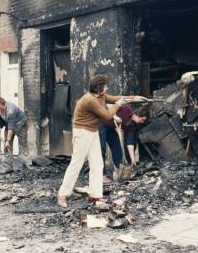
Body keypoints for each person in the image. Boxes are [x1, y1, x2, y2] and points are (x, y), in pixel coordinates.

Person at [57, 75, 146, 207]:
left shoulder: (100, 96)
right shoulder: (89, 100)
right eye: (105, 86)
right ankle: (62, 194)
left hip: (92, 131)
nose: (107, 88)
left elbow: (115, 98)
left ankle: (94, 195)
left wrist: (134, 98)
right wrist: (118, 105)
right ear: (99, 89)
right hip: (82, 132)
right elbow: (107, 115)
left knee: (97, 164)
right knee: (76, 163)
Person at [99, 105, 149, 176]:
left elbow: (130, 142)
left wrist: (133, 160)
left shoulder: (132, 125)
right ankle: (101, 175)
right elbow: (108, 105)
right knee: (101, 149)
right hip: (101, 123)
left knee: (117, 149)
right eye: (142, 120)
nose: (142, 122)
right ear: (138, 115)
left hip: (110, 128)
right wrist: (114, 116)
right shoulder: (126, 109)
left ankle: (118, 172)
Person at [0, 97, 28, 174]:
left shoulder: (11, 111)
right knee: (6, 147)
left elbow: (11, 128)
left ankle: (25, 167)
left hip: (20, 124)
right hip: (9, 124)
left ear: (2, 103)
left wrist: (8, 140)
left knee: (22, 145)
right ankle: (7, 168)